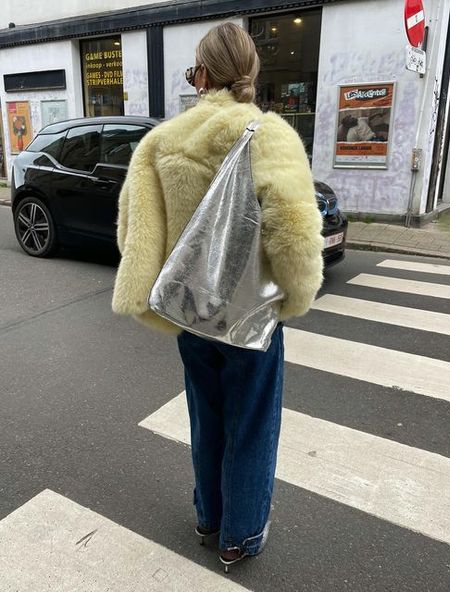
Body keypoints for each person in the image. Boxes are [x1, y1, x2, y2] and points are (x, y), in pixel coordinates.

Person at [112, 22, 324, 570]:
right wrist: (293, 300)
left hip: (192, 315)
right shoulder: (268, 133)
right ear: (249, 72)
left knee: (206, 418)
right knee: (251, 425)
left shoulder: (161, 141)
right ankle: (240, 537)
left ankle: (208, 518)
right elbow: (294, 235)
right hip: (250, 317)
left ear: (201, 74)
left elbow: (132, 236)